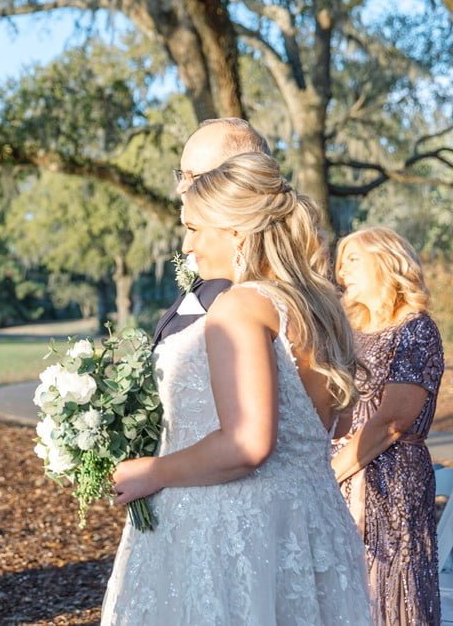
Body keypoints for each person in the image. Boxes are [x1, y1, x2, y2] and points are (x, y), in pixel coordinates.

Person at [102, 153, 370, 624]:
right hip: (311, 527)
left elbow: (247, 443)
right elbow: (337, 422)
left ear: (236, 231)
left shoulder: (239, 308)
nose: (187, 245)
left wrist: (153, 471)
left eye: (196, 228)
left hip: (238, 540)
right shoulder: (317, 307)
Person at [331, 227, 444, 625]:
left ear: (386, 262)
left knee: (388, 591)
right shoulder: (348, 333)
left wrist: (329, 475)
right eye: (341, 260)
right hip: (340, 478)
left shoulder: (415, 329)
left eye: (354, 259)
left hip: (390, 482)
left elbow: (393, 421)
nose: (341, 270)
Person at [153, 117, 271, 345]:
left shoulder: (251, 296)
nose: (180, 188)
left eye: (193, 176)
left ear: (237, 178)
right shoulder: (210, 261)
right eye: (181, 175)